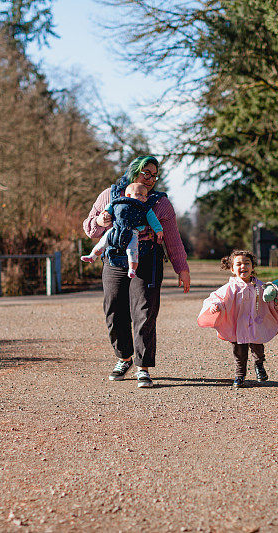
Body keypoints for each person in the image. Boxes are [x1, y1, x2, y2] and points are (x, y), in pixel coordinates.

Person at [83, 155, 190, 388]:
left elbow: (172, 239)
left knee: (145, 311)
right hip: (114, 259)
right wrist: (101, 222)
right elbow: (90, 228)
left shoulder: (160, 203)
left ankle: (143, 367)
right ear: (134, 171)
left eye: (154, 175)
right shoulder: (109, 195)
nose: (150, 179)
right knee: (113, 310)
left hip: (148, 260)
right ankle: (124, 358)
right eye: (146, 173)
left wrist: (182, 269)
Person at [197, 250, 278, 388]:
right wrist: (216, 305)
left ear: (252, 267)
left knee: (258, 346)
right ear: (232, 269)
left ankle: (259, 365)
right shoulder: (230, 287)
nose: (243, 267)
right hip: (237, 324)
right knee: (239, 351)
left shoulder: (260, 286)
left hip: (256, 323)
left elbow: (268, 299)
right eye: (238, 264)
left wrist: (276, 301)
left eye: (247, 263)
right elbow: (220, 298)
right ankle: (239, 375)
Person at [80, 182, 164, 279]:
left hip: (133, 232)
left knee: (132, 250)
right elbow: (109, 207)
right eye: (140, 194)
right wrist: (105, 213)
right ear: (128, 195)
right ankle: (92, 256)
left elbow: (153, 219)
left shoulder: (145, 208)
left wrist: (158, 230)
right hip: (115, 229)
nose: (143, 198)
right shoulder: (118, 202)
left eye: (145, 196)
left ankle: (132, 269)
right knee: (103, 242)